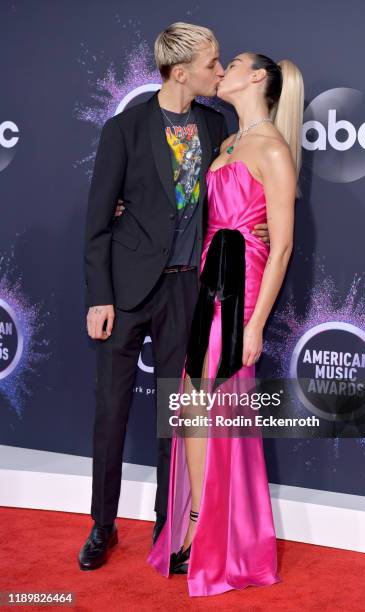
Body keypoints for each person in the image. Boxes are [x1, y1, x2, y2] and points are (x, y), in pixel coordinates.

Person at [78, 23, 270, 571]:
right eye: (212, 63)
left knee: (176, 414)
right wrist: (100, 296)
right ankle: (102, 525)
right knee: (112, 412)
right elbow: (97, 222)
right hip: (127, 291)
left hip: (190, 287)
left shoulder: (217, 125)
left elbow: (240, 193)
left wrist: (255, 227)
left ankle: (170, 526)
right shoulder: (125, 129)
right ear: (181, 70)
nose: (220, 69)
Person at [147, 52, 304, 597]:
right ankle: (194, 522)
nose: (225, 69)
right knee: (191, 403)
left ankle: (215, 535)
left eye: (233, 62)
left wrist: (257, 323)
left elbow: (281, 246)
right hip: (207, 278)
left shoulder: (274, 149)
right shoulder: (224, 144)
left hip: (243, 286)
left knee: (215, 404)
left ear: (257, 77)